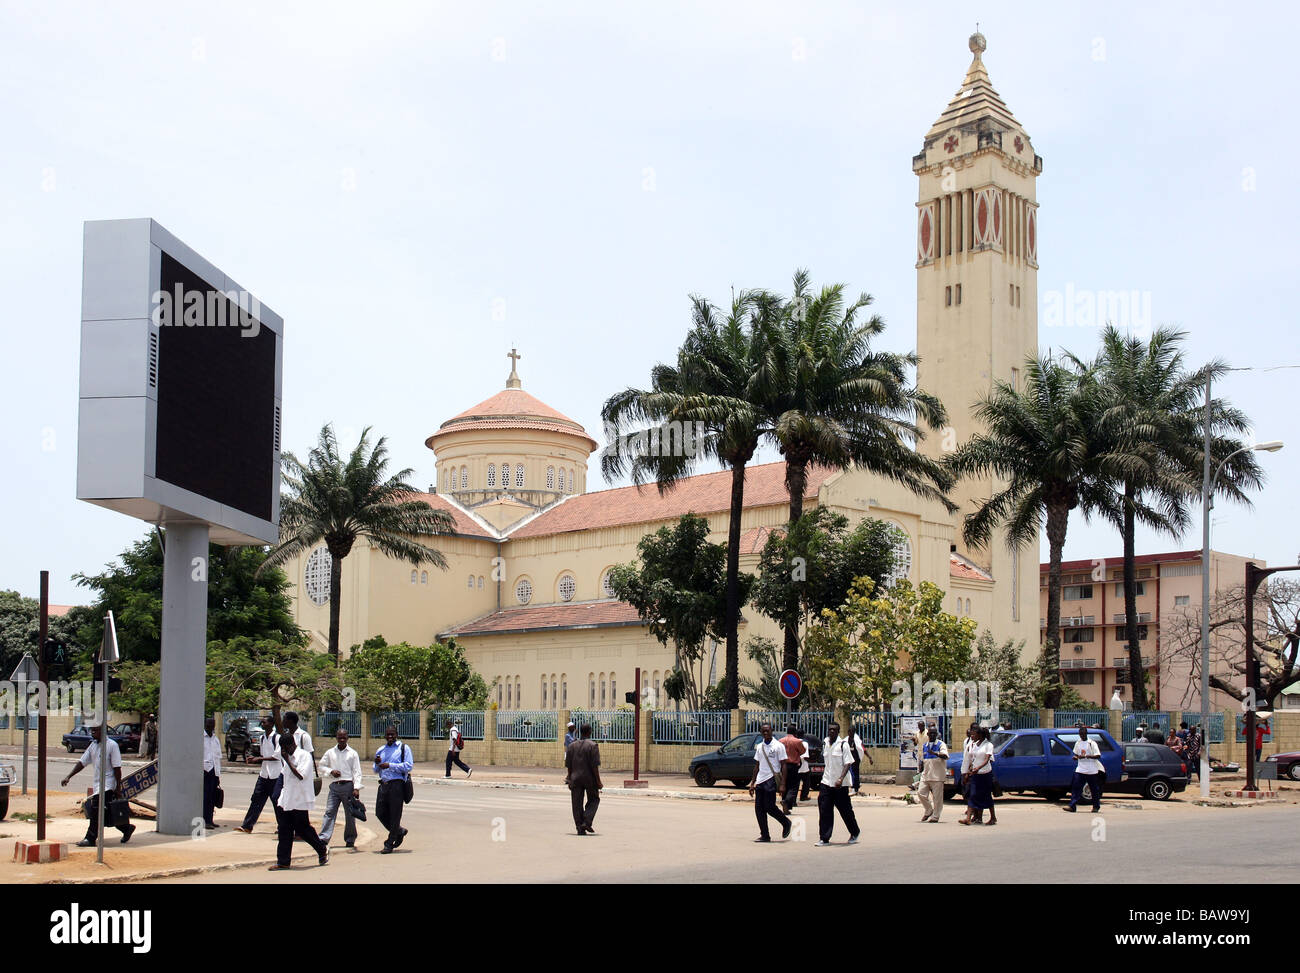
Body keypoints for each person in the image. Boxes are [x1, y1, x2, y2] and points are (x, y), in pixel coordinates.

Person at [61, 723, 135, 846]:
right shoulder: (93, 746)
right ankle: (126, 828)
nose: (92, 733)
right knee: (107, 812)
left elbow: (117, 768)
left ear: (102, 731)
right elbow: (82, 762)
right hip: (98, 785)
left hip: (108, 784)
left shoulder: (112, 745)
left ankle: (90, 838)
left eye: (95, 731)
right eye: (92, 731)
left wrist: (118, 788)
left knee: (95, 810)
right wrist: (69, 776)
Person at [269, 732, 329, 870]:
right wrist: (277, 796)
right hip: (288, 798)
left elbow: (300, 775)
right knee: (284, 829)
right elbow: (284, 775)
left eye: (285, 748)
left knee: (303, 829)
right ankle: (283, 861)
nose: (284, 751)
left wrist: (288, 760)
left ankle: (321, 849)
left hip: (300, 799)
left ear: (292, 744)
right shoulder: (287, 757)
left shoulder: (304, 756)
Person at [814, 722, 860, 846]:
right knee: (824, 810)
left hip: (840, 784)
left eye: (834, 730)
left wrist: (840, 778)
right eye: (830, 729)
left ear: (838, 731)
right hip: (826, 782)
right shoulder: (825, 743)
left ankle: (854, 832)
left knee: (845, 811)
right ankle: (824, 838)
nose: (832, 732)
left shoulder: (843, 745)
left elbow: (848, 763)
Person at [236, 715, 282, 834]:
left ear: (271, 724)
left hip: (275, 775)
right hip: (264, 774)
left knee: (277, 802)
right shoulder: (262, 738)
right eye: (262, 722)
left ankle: (282, 827)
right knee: (256, 800)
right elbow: (263, 754)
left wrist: (258, 759)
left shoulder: (277, 738)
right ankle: (247, 825)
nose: (262, 724)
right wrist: (257, 759)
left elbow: (277, 756)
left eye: (265, 722)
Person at [747, 723, 792, 842]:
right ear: (761, 732)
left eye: (767, 731)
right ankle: (765, 835)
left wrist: (783, 784)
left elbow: (783, 765)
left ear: (772, 731)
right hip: (760, 781)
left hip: (771, 780)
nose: (765, 733)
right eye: (763, 731)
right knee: (759, 809)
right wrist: (752, 783)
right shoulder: (760, 746)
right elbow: (757, 766)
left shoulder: (778, 746)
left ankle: (786, 822)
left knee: (769, 807)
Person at [318, 728, 362, 848]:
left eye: (344, 737)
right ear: (336, 738)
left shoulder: (352, 753)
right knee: (329, 812)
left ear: (348, 738)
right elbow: (321, 765)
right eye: (339, 737)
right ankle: (323, 838)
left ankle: (350, 838)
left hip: (348, 786)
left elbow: (357, 772)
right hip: (334, 786)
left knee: (350, 814)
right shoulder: (330, 752)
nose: (342, 739)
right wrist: (331, 771)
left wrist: (356, 788)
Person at [373, 725, 413, 854]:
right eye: (388, 734)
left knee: (395, 814)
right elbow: (375, 769)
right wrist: (377, 763)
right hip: (383, 784)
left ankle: (389, 843)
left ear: (396, 735)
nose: (390, 737)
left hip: (397, 785)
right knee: (380, 813)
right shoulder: (381, 750)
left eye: (392, 734)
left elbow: (408, 766)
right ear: (384, 736)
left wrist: (390, 765)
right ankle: (399, 831)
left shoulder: (403, 748)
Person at [564, 722, 603, 835]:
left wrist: (569, 778)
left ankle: (579, 827)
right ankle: (586, 821)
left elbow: (569, 765)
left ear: (580, 731)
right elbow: (594, 766)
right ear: (590, 732)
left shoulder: (572, 746)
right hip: (589, 779)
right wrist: (598, 781)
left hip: (575, 778)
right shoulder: (593, 745)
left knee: (576, 803)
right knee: (594, 799)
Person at [961, 725, 996, 826]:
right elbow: (971, 759)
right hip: (975, 774)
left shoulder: (988, 745)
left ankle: (993, 817)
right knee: (972, 795)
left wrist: (978, 767)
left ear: (980, 735)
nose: (972, 736)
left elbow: (987, 759)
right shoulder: (974, 745)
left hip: (985, 774)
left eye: (974, 734)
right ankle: (968, 818)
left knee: (987, 796)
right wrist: (967, 773)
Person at [1065, 725, 1103, 813]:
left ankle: (1096, 806)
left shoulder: (1092, 743)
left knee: (1094, 789)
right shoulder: (1078, 743)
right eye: (1080, 734)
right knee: (1076, 787)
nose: (1081, 736)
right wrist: (1076, 757)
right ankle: (1072, 805)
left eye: (1083, 734)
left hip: (1091, 770)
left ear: (1086, 734)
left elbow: (1098, 755)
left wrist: (1086, 756)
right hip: (1081, 769)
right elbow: (1076, 754)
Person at [917, 727, 949, 824]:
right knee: (920, 793)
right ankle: (929, 809)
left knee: (937, 798)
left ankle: (935, 816)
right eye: (930, 733)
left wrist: (935, 753)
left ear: (937, 734)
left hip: (937, 776)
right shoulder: (925, 745)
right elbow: (923, 759)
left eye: (934, 734)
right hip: (926, 774)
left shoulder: (940, 744)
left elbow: (945, 756)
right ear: (928, 734)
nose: (932, 735)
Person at [778, 723, 806, 813]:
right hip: (793, 766)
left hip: (783, 765)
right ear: (795, 732)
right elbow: (803, 751)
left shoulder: (780, 741)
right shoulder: (797, 741)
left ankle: (786, 807)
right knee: (793, 787)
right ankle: (787, 801)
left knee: (784, 784)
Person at [958, 724, 981, 825]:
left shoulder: (980, 745)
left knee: (974, 795)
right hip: (965, 771)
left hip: (974, 773)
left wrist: (968, 772)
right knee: (968, 794)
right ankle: (974, 815)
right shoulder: (968, 743)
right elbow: (966, 758)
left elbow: (974, 760)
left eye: (973, 734)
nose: (971, 735)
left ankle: (973, 816)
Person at [202, 716, 222, 829]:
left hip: (213, 771)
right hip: (205, 771)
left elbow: (217, 757)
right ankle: (205, 820)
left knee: (212, 797)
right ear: (205, 725)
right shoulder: (200, 738)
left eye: (212, 725)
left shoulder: (215, 739)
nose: (210, 727)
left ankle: (210, 819)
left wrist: (218, 774)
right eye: (209, 724)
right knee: (205, 797)